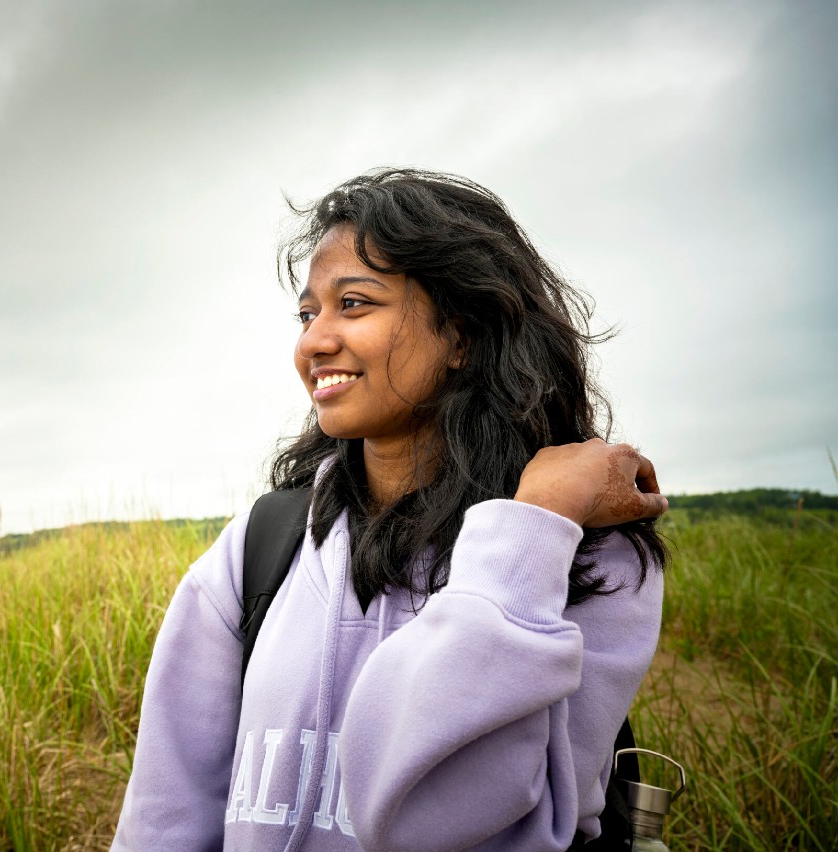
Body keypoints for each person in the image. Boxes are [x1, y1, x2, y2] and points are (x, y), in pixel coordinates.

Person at [111, 169, 669, 851]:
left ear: (461, 335)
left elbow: (443, 822)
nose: (313, 342)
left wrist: (534, 526)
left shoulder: (594, 559)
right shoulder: (258, 550)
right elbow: (162, 823)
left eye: (353, 303)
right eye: (308, 313)